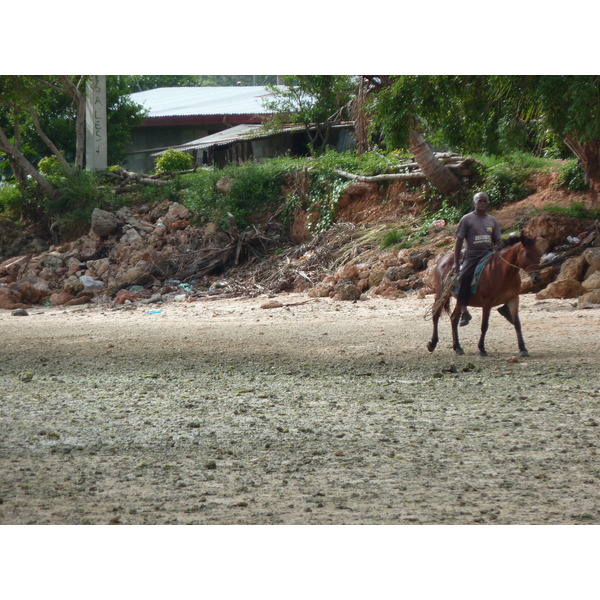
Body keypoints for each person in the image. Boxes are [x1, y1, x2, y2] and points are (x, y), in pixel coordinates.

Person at [452, 192, 502, 326]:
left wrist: (496, 247)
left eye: (485, 201)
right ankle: (464, 311)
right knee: (465, 277)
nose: (482, 203)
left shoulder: (492, 220)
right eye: (480, 201)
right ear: (474, 203)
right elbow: (459, 241)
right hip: (472, 255)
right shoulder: (467, 219)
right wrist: (456, 263)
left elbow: (498, 240)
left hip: (489, 255)